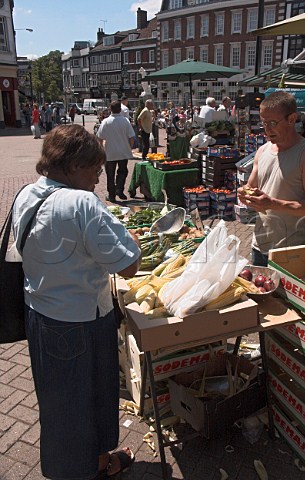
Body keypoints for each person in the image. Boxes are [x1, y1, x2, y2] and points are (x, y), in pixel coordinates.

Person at [12, 124, 141, 480]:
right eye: (94, 171)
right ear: (71, 166)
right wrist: (122, 230)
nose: (98, 181)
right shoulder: (82, 203)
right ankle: (85, 469)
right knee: (90, 399)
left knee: (59, 402)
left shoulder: (26, 193)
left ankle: (82, 464)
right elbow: (129, 264)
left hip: (41, 315)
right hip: (81, 322)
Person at [237, 91, 305, 267]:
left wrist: (272, 204)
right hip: (258, 247)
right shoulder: (262, 151)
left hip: (291, 253)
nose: (267, 129)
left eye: (272, 123)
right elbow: (251, 186)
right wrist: (244, 193)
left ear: (292, 119)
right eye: (263, 123)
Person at [97, 100, 135, 201]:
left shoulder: (105, 122)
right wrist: (129, 147)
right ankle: (119, 189)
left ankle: (112, 194)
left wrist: (101, 150)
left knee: (110, 174)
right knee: (122, 171)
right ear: (120, 109)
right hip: (123, 151)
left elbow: (100, 138)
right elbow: (131, 137)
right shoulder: (125, 121)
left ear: (110, 109)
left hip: (110, 152)